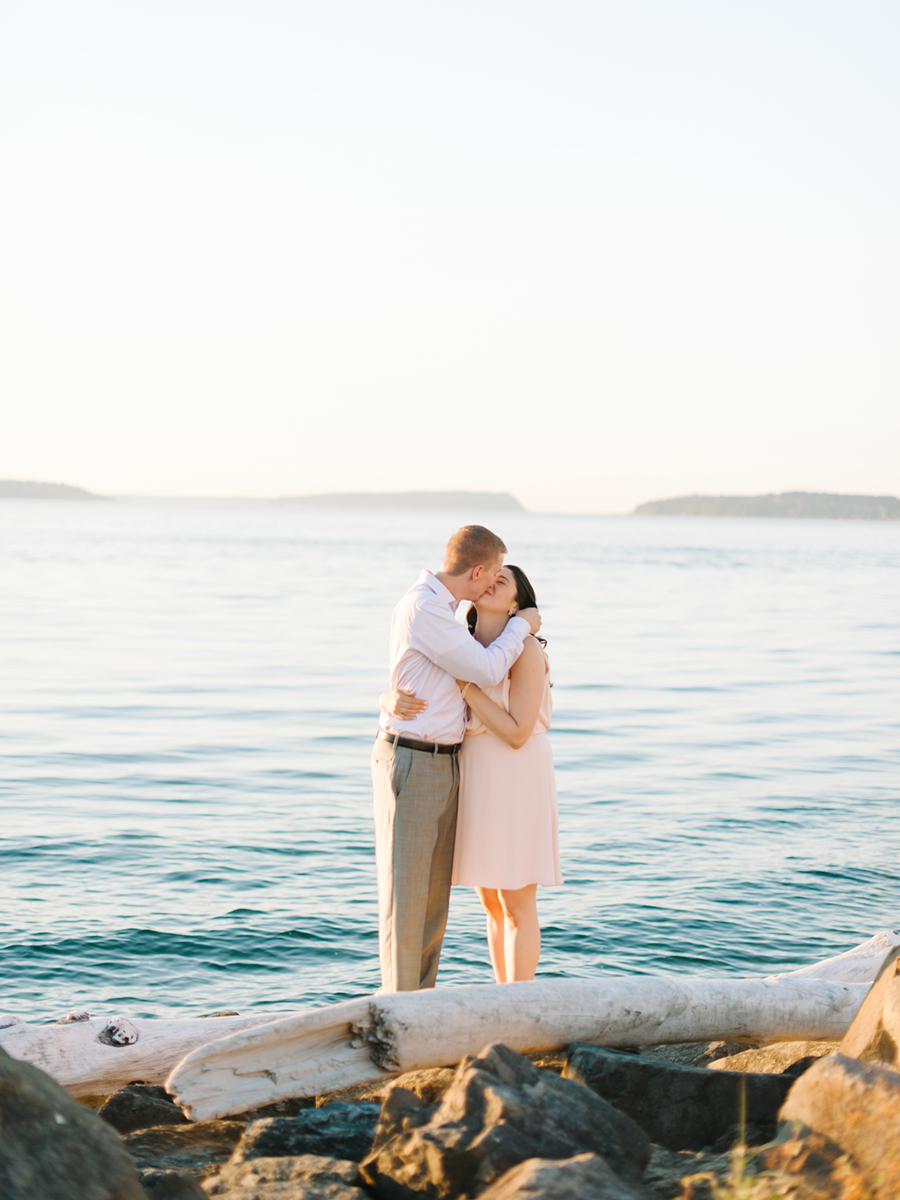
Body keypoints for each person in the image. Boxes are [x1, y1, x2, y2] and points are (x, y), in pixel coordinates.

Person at [372, 525, 542, 993]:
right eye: (494, 576)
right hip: (418, 760)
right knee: (407, 897)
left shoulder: (450, 618)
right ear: (479, 571)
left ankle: (419, 1004)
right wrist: (524, 623)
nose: (492, 585)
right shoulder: (429, 607)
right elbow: (482, 671)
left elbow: (428, 674)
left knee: (431, 902)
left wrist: (387, 696)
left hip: (455, 766)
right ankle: (400, 1010)